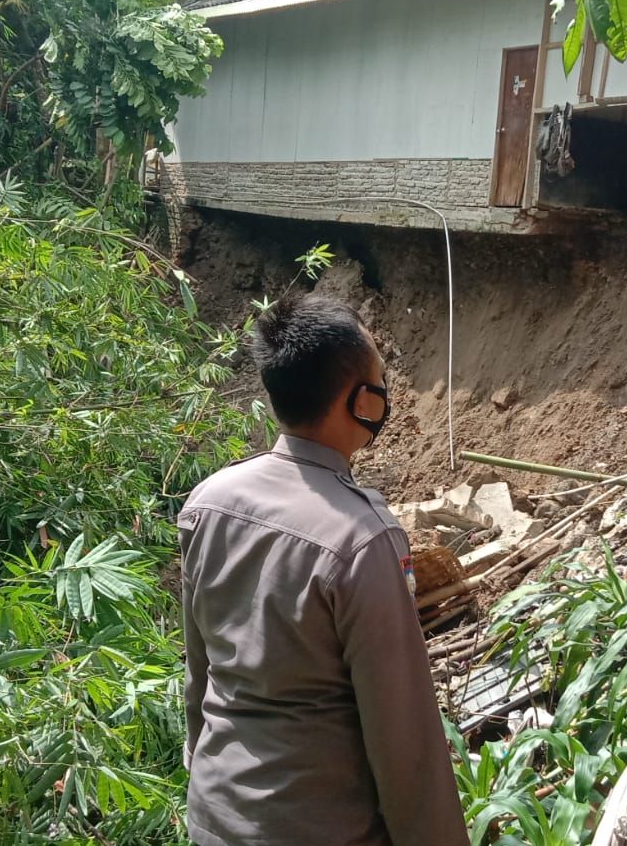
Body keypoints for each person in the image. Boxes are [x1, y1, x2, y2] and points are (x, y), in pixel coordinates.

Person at [177, 291, 469, 846]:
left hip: (215, 814)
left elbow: (201, 675)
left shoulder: (208, 502)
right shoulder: (362, 538)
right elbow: (402, 740)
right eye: (381, 380)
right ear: (363, 400)